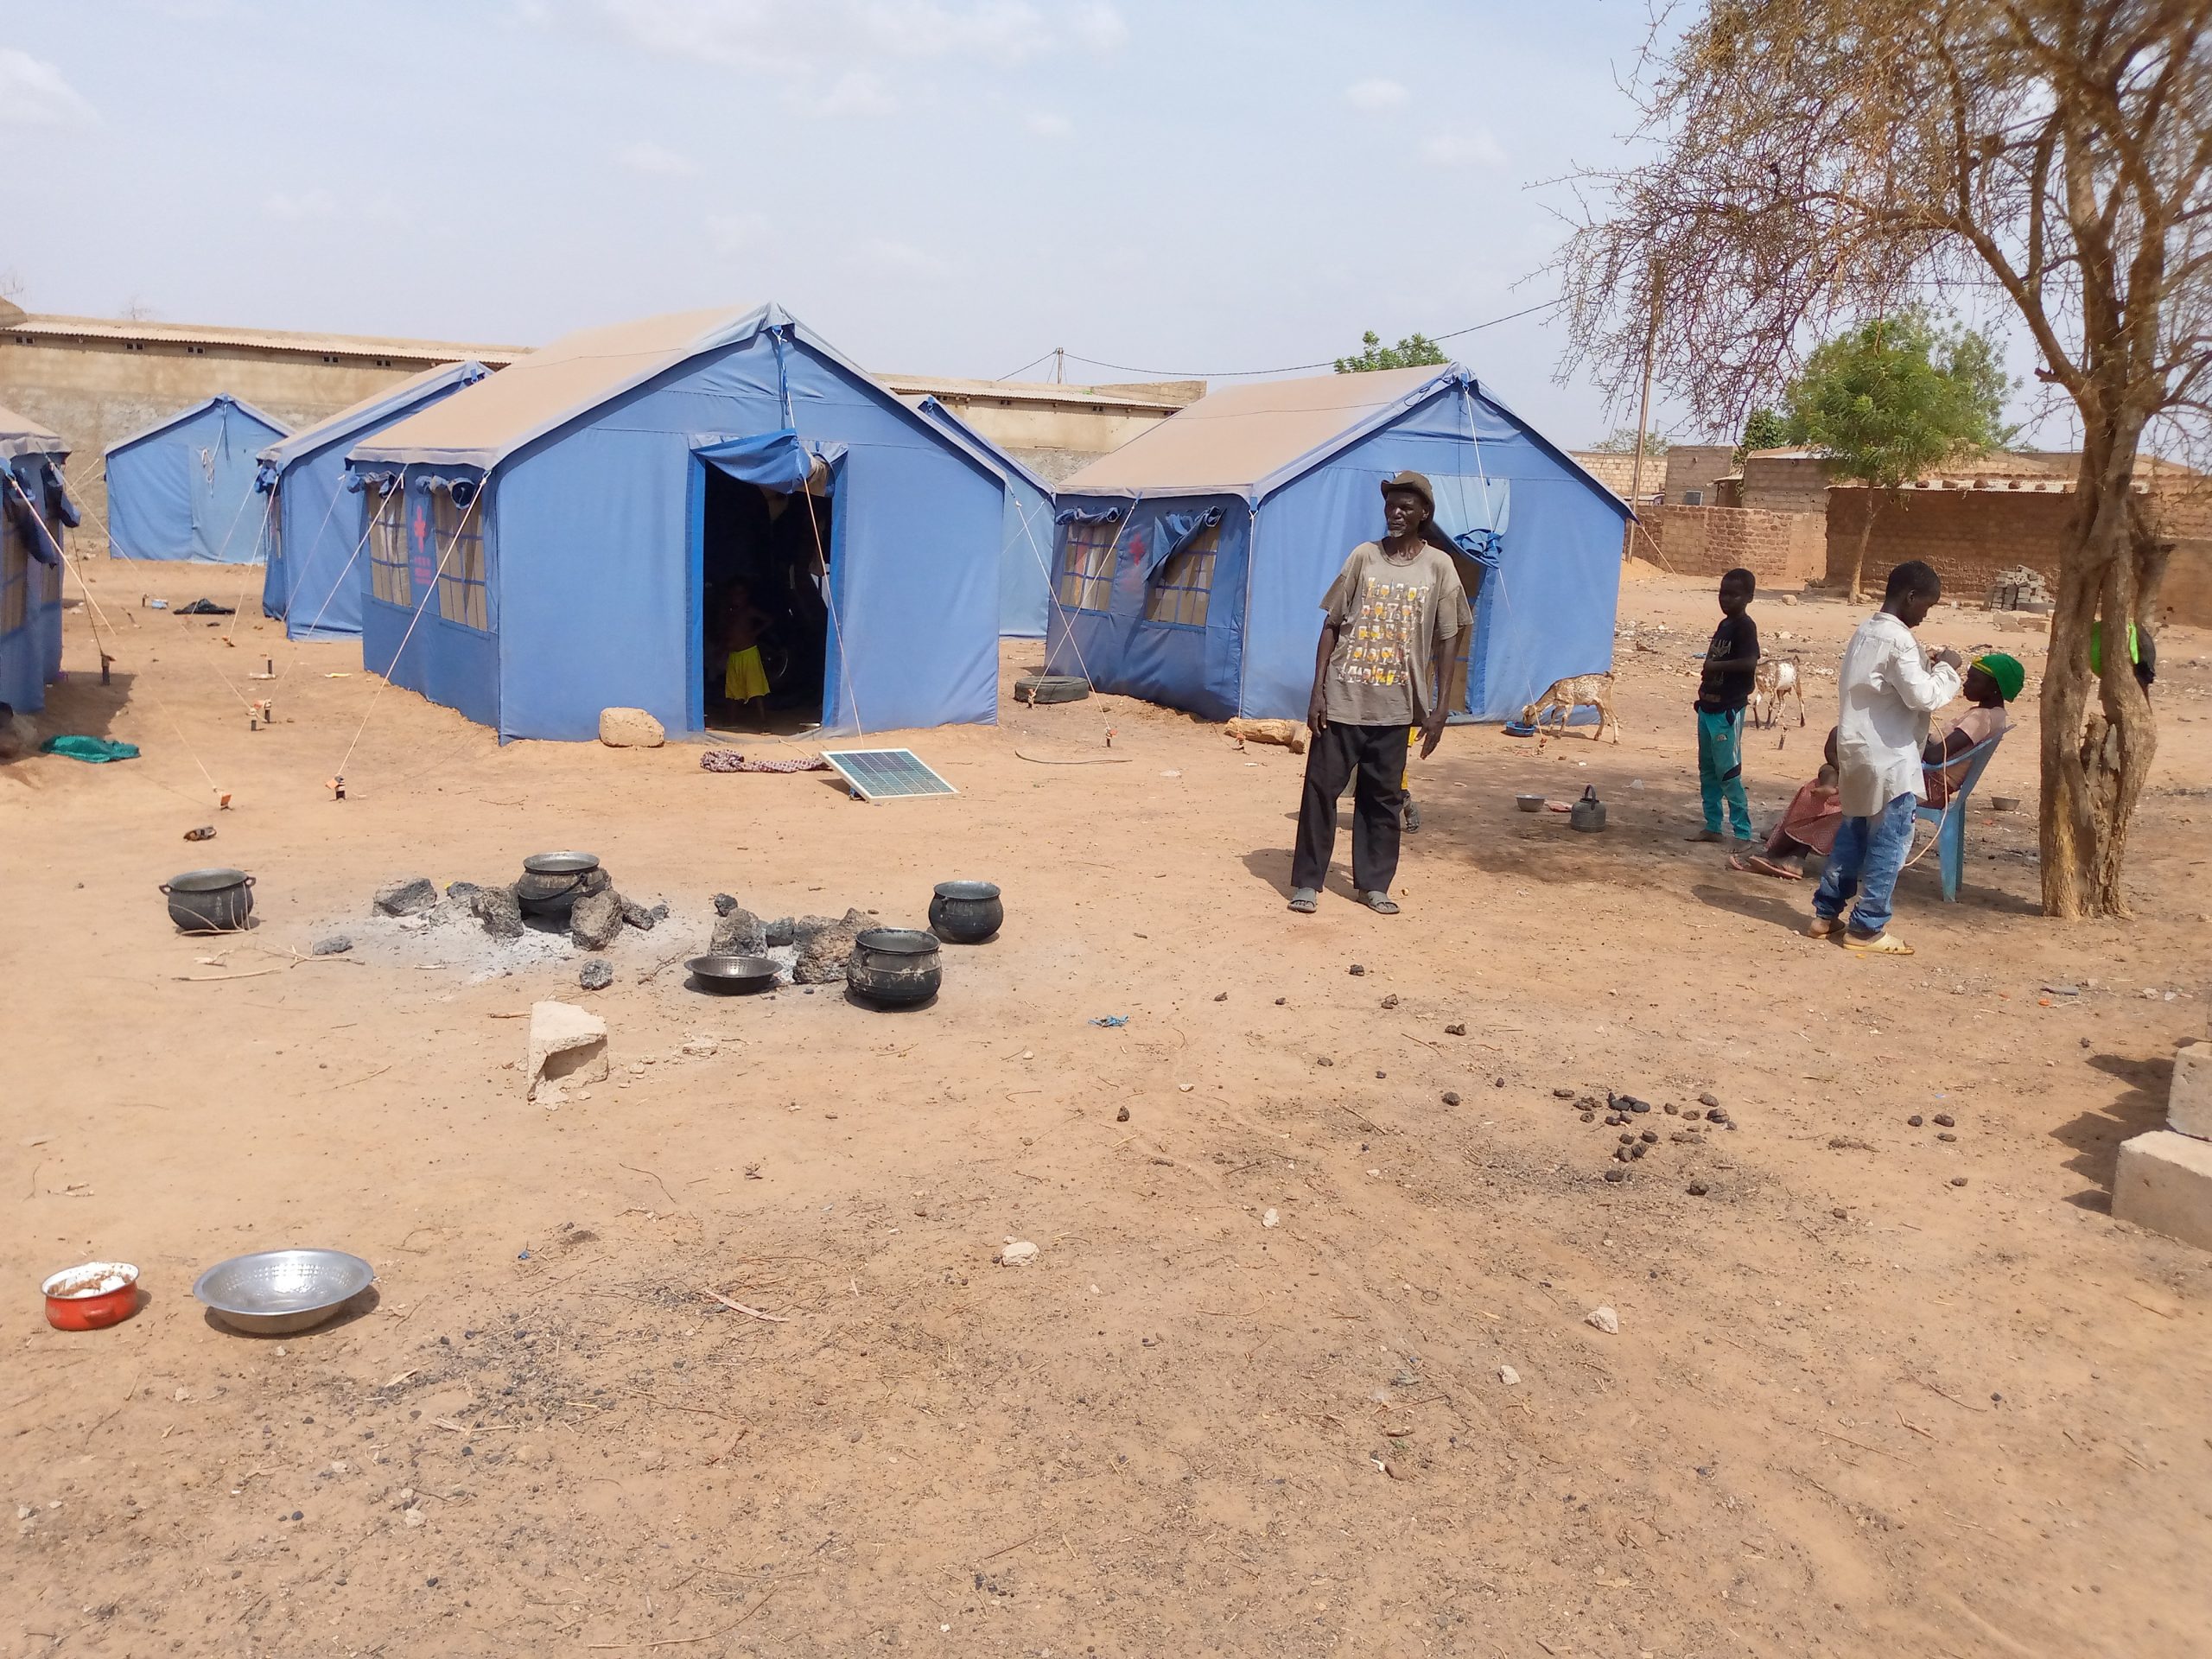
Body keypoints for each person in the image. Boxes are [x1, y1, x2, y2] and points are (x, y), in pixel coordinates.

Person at [1288, 471, 1471, 915]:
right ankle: (1308, 882)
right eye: (1391, 505)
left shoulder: (1439, 567)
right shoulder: (1364, 557)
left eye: (1406, 507)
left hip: (1396, 706)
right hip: (1343, 698)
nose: (1396, 513)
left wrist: (1440, 708)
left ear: (1423, 513)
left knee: (1383, 799)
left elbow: (1449, 637)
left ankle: (1373, 884)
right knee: (1320, 791)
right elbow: (1331, 624)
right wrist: (1317, 691)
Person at [1808, 561, 1963, 955]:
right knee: (1890, 842)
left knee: (1853, 834)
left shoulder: (1865, 631)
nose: (1925, 615)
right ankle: (1867, 927)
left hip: (1857, 750)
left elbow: (1890, 685)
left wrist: (1925, 663)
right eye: (1926, 606)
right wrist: (1948, 669)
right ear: (1911, 597)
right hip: (1890, 758)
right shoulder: (1899, 641)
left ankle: (1825, 913)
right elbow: (1923, 696)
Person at [1688, 568, 1760, 844]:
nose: (1726, 599)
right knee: (1707, 769)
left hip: (1727, 711)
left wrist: (1715, 667)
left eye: (1733, 595)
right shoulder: (1724, 625)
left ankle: (1742, 832)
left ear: (1749, 597)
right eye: (1722, 593)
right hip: (1707, 708)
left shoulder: (1745, 627)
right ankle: (1713, 825)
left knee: (1728, 771)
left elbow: (1750, 662)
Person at [1731, 727, 1840, 880]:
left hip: (1861, 789)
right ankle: (1784, 854)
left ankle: (1787, 857)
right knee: (1811, 795)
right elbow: (1831, 752)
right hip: (1844, 779)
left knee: (1824, 805)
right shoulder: (1847, 728)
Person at [1922, 652, 2023, 807]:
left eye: (1974, 680)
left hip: (1931, 788)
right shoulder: (1997, 715)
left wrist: (1909, 742)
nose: (1965, 684)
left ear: (1994, 687)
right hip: (1934, 783)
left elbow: (1935, 756)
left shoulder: (1981, 719)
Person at [718, 581, 773, 721]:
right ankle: (731, 720)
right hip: (734, 655)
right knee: (733, 690)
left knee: (756, 689)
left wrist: (754, 633)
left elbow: (769, 620)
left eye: (740, 593)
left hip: (749, 653)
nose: (737, 596)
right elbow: (726, 632)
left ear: (746, 595)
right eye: (734, 593)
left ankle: (763, 721)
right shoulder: (729, 612)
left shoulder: (748, 610)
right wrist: (723, 648)